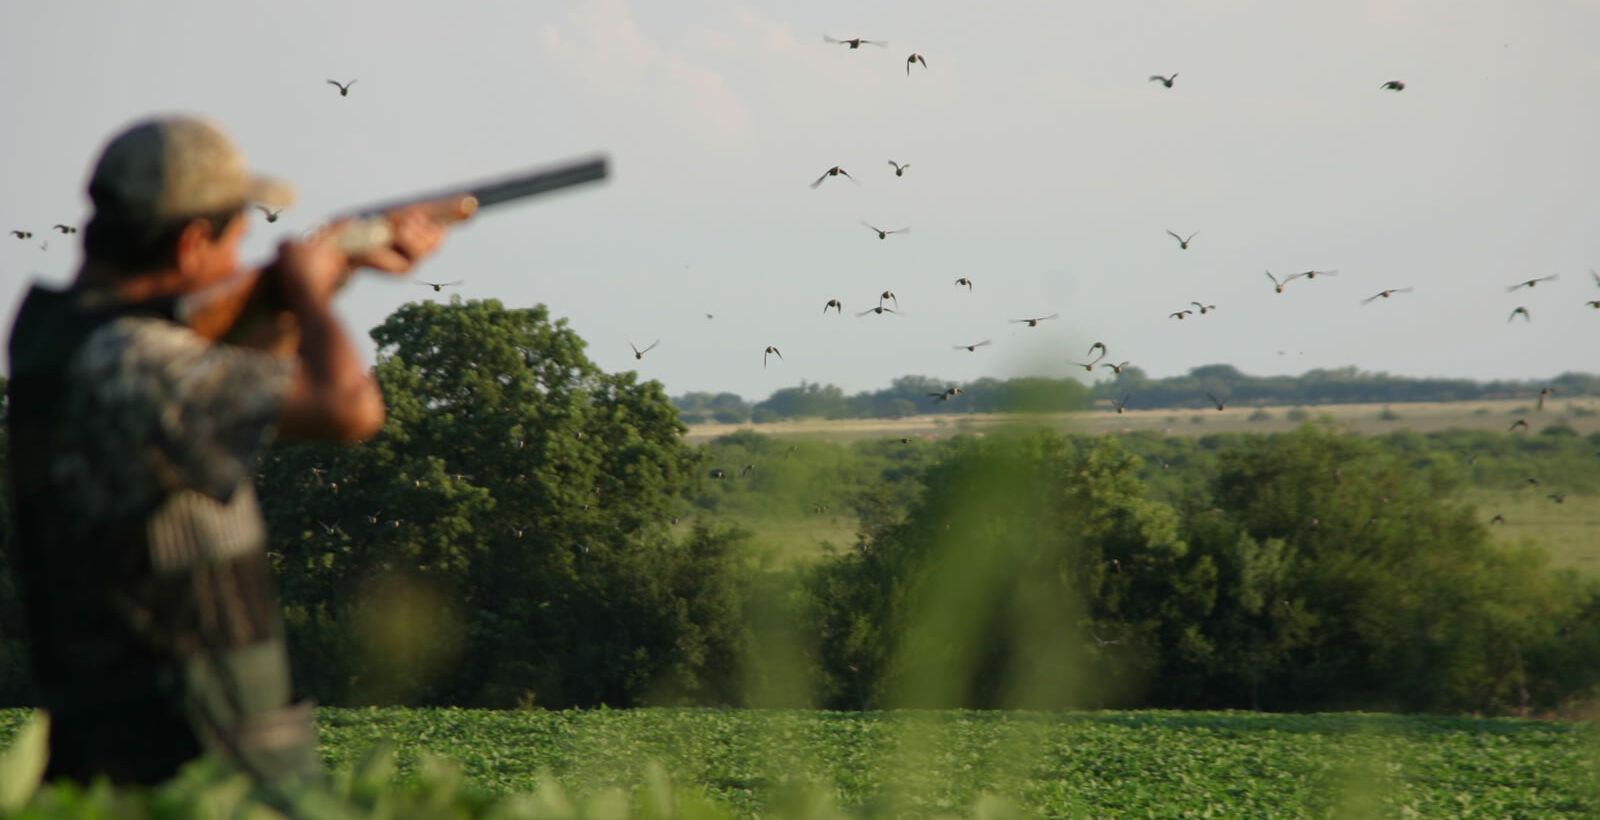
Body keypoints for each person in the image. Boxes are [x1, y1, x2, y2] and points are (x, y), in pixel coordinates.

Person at [4, 114, 446, 787]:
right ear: (189, 245)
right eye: (237, 242)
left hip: (119, 745)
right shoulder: (136, 362)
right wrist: (305, 289)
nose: (242, 264)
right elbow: (348, 410)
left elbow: (226, 377)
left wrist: (333, 274)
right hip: (193, 760)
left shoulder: (58, 337)